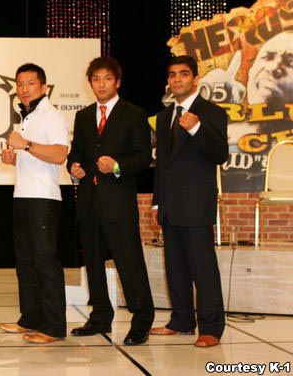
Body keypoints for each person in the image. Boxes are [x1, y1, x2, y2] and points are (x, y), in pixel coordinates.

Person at [67, 56, 154, 346]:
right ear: (90, 82)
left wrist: (116, 166)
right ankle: (100, 316)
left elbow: (144, 157)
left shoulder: (134, 114)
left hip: (118, 202)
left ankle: (141, 320)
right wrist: (74, 167)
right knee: (93, 263)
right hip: (90, 202)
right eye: (96, 79)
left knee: (129, 263)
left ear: (117, 82)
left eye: (106, 79)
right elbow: (76, 152)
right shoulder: (83, 115)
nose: (101, 84)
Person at [151, 55, 228, 348]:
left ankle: (210, 327)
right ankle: (182, 320)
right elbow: (163, 165)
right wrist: (158, 202)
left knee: (202, 267)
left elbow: (219, 154)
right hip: (170, 205)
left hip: (196, 202)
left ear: (195, 79)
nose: (177, 79)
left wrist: (196, 129)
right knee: (175, 266)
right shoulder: (163, 115)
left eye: (183, 74)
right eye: (172, 75)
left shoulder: (212, 112)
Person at [0, 63, 69, 343]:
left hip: (43, 197)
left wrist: (25, 145)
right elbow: (37, 155)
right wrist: (15, 158)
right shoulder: (27, 116)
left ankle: (53, 327)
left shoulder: (51, 115)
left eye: (30, 83)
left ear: (43, 87)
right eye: (20, 84)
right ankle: (31, 318)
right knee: (25, 261)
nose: (24, 89)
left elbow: (60, 154)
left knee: (44, 260)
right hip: (22, 195)